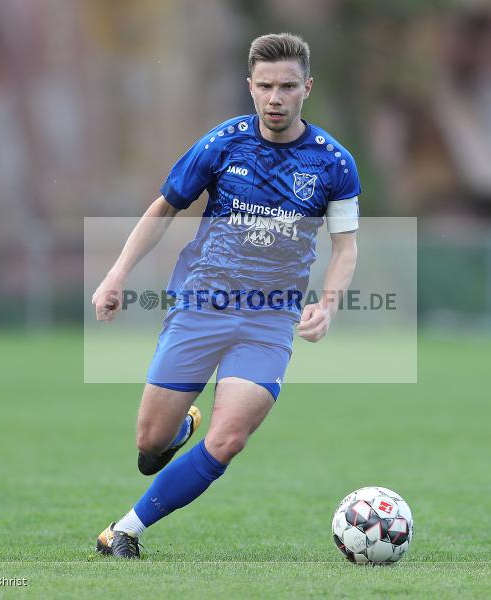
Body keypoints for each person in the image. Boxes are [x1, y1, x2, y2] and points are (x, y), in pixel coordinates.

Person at [91, 32, 360, 558]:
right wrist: (116, 274)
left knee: (229, 439)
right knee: (149, 445)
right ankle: (178, 428)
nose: (275, 98)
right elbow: (163, 209)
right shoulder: (222, 143)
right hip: (200, 306)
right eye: (265, 86)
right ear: (250, 87)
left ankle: (124, 531)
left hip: (268, 320)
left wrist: (326, 305)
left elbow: (345, 247)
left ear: (307, 87)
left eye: (287, 86)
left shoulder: (333, 163)